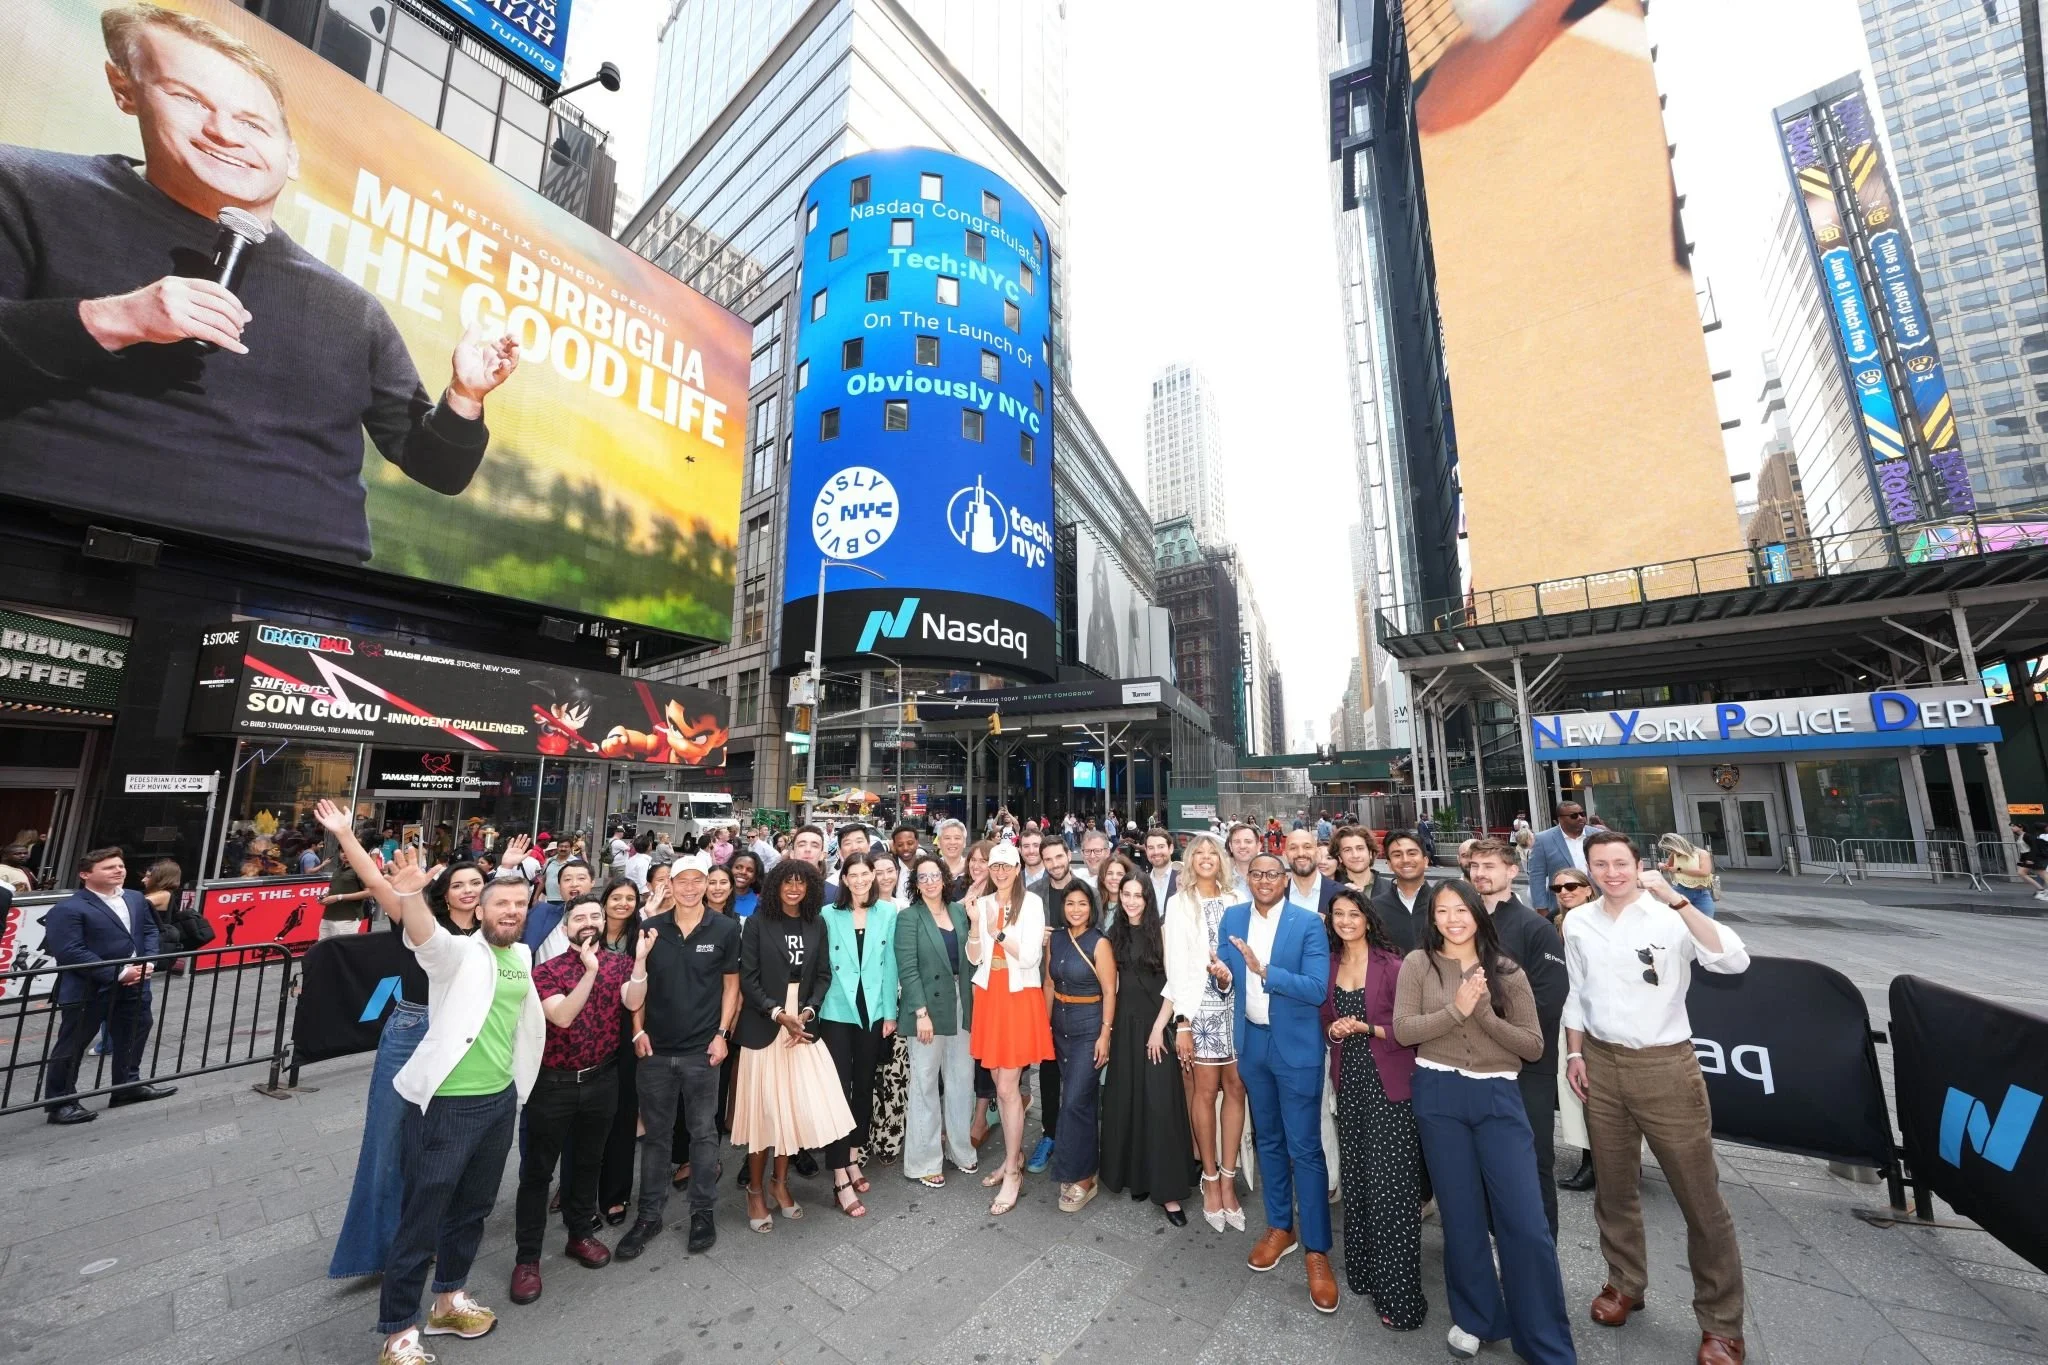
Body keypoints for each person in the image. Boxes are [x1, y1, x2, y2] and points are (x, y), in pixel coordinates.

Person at [1565, 833, 1751, 1365]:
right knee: (1615, 1190)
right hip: (1600, 1062)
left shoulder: (1669, 915)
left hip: (1665, 1066)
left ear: (1639, 864)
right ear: (1589, 869)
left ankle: (1721, 1323)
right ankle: (1624, 1284)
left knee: (1700, 1200)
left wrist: (1679, 899)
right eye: (1600, 864)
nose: (1611, 872)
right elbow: (1578, 992)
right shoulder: (1578, 920)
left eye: (1620, 863)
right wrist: (1575, 1055)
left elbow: (1732, 961)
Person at [369, 831, 545, 1365]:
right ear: (480, 906)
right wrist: (409, 896)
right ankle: (399, 1330)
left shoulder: (522, 952)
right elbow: (426, 937)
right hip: (449, 1104)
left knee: (473, 1208)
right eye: (501, 902)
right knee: (424, 1212)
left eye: (520, 903)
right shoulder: (456, 952)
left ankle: (449, 1298)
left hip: (499, 1101)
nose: (511, 910)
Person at [1394, 880, 1572, 1364]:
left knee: (1525, 1221)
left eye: (1461, 910)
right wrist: (1457, 1010)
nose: (1452, 919)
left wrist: (1485, 1014)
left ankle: (1543, 1337)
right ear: (1432, 918)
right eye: (1442, 911)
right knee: (1462, 1216)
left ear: (1477, 913)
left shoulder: (1506, 969)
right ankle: (1476, 1317)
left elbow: (1533, 1045)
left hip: (1497, 1095)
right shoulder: (1418, 964)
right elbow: (1405, 1029)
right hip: (1438, 1094)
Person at [326, 833, 485, 1279]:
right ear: (444, 891)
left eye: (476, 883)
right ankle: (380, 1245)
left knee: (447, 1140)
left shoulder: (492, 930)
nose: (468, 890)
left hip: (465, 1036)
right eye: (458, 884)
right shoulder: (419, 918)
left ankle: (431, 1229)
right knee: (390, 1137)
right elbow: (376, 882)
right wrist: (343, 833)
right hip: (414, 1030)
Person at [509, 893, 649, 1303]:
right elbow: (563, 1015)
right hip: (552, 1086)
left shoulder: (620, 963)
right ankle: (527, 1259)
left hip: (602, 1080)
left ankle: (579, 1234)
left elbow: (633, 1000)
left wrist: (639, 960)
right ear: (566, 926)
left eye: (595, 916)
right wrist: (589, 972)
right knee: (537, 1174)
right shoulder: (547, 971)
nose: (589, 922)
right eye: (580, 917)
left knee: (588, 1163)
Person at [1216, 852, 1338, 1313]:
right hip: (1253, 1046)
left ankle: (1317, 1251)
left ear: (1285, 880)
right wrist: (1226, 977)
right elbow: (1230, 983)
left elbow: (1315, 988)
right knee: (1268, 1140)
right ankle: (1280, 1227)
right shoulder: (1232, 916)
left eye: (1273, 874)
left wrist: (1264, 970)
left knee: (1304, 1148)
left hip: (1296, 1048)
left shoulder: (1307, 924)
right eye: (1257, 874)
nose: (1264, 880)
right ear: (1247, 879)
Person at [614, 853, 741, 1260]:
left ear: (707, 884)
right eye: (681, 881)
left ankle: (702, 1211)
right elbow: (639, 985)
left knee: (704, 1135)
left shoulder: (724, 928)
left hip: (702, 1051)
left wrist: (722, 1035)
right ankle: (648, 1214)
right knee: (656, 1138)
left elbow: (730, 987)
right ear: (670, 886)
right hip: (654, 1052)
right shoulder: (650, 929)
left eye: (696, 880)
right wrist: (637, 1031)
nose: (689, 887)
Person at [732, 859, 854, 1232]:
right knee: (764, 1113)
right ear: (775, 886)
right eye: (788, 882)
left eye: (802, 883)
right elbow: (748, 979)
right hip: (767, 1024)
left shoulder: (815, 922)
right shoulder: (756, 923)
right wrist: (778, 1014)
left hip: (802, 1024)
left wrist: (808, 1011)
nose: (795, 888)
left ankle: (779, 1184)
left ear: (810, 888)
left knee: (793, 1111)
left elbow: (822, 974)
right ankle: (755, 1191)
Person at [1322, 889, 1425, 1330]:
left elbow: (1411, 1030)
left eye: (1353, 914)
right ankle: (1364, 1274)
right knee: (1360, 1184)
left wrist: (1368, 1028)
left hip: (1391, 1090)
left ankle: (1401, 1298)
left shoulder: (1394, 966)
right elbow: (1325, 1025)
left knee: (1393, 1193)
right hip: (1350, 1086)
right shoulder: (1328, 965)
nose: (1346, 921)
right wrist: (1336, 1033)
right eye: (1338, 915)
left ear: (1368, 918)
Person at [1465, 837, 1569, 1234]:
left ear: (1512, 870)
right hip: (1471, 1065)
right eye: (1475, 866)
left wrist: (1497, 1031)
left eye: (1490, 866)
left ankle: (1540, 1253)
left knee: (1530, 1161)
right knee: (1482, 1161)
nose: (1480, 874)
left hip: (1525, 1067)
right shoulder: (1462, 922)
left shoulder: (1534, 928)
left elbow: (1549, 1000)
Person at [40, 847, 175, 1124]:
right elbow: (70, 951)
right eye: (109, 867)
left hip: (136, 984)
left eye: (120, 865)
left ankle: (126, 1086)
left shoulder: (137, 899)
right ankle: (61, 1101)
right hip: (89, 987)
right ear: (85, 875)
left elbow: (149, 930)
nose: (118, 870)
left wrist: (149, 962)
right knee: (73, 1043)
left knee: (135, 1030)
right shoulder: (68, 908)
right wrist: (119, 972)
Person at [1163, 833, 1248, 1233]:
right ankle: (1210, 1178)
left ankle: (1230, 1179)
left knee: (1235, 1089)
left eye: (1212, 851)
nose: (1206, 857)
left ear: (1222, 858)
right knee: (1203, 1090)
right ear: (1189, 860)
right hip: (1200, 1009)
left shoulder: (1238, 900)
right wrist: (1182, 1021)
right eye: (1198, 852)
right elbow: (1176, 964)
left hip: (1238, 1005)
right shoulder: (1178, 905)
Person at [1097, 872, 1191, 1226]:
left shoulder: (1163, 932)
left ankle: (1168, 1192)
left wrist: (1159, 1028)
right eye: (1126, 894)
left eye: (1139, 894)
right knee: (1128, 1101)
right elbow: (1111, 985)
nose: (1132, 900)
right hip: (1124, 1027)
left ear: (1149, 898)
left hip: (1156, 1027)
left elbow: (1176, 982)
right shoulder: (1113, 934)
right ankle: (1137, 1177)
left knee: (1160, 1104)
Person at [966, 841, 1054, 1216]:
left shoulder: (1031, 903)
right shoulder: (983, 904)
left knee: (1006, 1085)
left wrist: (997, 931)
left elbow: (1033, 956)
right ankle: (1011, 1159)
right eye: (995, 866)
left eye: (1006, 866)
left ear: (1018, 868)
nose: (1000, 871)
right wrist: (975, 926)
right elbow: (974, 957)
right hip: (990, 996)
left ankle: (1013, 1170)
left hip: (1019, 998)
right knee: (1003, 1088)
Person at [816, 853, 898, 1216]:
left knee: (864, 1086)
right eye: (855, 874)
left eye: (868, 874)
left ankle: (852, 1155)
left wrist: (890, 1013)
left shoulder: (887, 914)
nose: (862, 880)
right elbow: (821, 966)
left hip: (873, 1010)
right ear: (844, 879)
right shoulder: (828, 915)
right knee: (838, 1089)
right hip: (836, 1010)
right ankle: (838, 1175)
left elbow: (891, 965)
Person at [896, 853, 976, 1186]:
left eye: (935, 876)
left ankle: (960, 1149)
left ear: (945, 879)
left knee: (961, 1080)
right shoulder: (909, 917)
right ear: (915, 884)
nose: (930, 882)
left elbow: (973, 956)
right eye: (923, 877)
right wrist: (920, 1013)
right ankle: (924, 1161)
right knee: (926, 1084)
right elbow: (908, 968)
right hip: (926, 1008)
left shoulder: (960, 911)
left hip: (962, 1003)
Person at [1045, 883, 1115, 1212]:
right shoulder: (1056, 939)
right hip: (1060, 1026)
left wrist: (1105, 1034)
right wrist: (1044, 1025)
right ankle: (1079, 1165)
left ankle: (1083, 1175)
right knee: (1077, 1100)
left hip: (1090, 1027)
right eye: (1070, 903)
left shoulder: (1099, 942)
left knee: (1074, 1100)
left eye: (1082, 904)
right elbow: (1049, 982)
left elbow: (1110, 992)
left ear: (1092, 907)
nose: (1075, 909)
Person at [593, 877, 651, 1226]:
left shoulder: (642, 937)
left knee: (623, 1113)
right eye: (616, 897)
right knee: (586, 1117)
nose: (623, 904)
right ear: (605, 901)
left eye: (630, 898)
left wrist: (638, 1029)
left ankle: (616, 1193)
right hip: (586, 1032)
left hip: (627, 1029)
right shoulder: (585, 930)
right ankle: (578, 1194)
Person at [1546, 869, 1598, 1191]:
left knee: (1595, 1095)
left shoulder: (1599, 921)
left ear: (1589, 889)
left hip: (1595, 1021)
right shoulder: (1554, 922)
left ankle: (1604, 1164)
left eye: (1572, 886)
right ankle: (1591, 1161)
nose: (1564, 892)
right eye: (1558, 887)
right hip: (1566, 1018)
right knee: (1576, 1094)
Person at [1372, 831, 1433, 954]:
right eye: (1397, 855)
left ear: (1425, 861)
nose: (1405, 860)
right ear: (1389, 864)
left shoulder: (1441, 902)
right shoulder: (1375, 907)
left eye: (1412, 853)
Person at [1524, 803, 1590, 914]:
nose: (1580, 818)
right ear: (1560, 819)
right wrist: (1541, 907)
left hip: (1595, 901)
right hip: (1561, 906)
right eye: (1574, 815)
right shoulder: (1543, 839)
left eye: (1582, 814)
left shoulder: (1598, 835)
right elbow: (1537, 875)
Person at [521, 858, 594, 959]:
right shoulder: (540, 913)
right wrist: (506, 869)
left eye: (581, 878)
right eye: (567, 879)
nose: (574, 884)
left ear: (592, 882)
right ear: (559, 886)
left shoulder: (602, 922)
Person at [321, 830, 378, 938]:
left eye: (348, 851)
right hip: (328, 916)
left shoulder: (360, 869)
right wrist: (325, 897)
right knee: (324, 950)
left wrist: (339, 897)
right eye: (342, 851)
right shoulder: (338, 869)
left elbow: (370, 892)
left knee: (342, 952)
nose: (345, 854)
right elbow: (333, 889)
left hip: (348, 919)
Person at [1283, 828, 1342, 917]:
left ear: (1318, 854)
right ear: (1285, 856)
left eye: (1307, 847)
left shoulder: (1343, 893)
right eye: (1293, 848)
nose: (1301, 853)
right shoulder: (1275, 896)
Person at [1658, 834, 1717, 918]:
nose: (1671, 851)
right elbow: (1668, 867)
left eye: (1671, 849)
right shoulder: (1674, 854)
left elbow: (1705, 872)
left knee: (1707, 921)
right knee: (1675, 922)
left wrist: (1679, 869)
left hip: (1701, 892)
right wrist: (1661, 865)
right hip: (1680, 890)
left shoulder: (1701, 853)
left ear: (1677, 845)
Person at [1332, 825, 1378, 899]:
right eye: (1347, 850)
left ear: (1370, 853)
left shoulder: (1393, 889)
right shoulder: (1332, 892)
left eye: (1360, 848)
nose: (1355, 855)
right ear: (1340, 857)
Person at [1142, 829, 1180, 906]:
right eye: (1151, 848)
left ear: (1171, 848)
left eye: (1161, 847)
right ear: (1146, 851)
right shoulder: (1142, 882)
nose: (1156, 852)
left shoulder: (1185, 878)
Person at [1225, 822, 1261, 899]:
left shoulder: (1272, 879)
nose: (1242, 846)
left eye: (1248, 841)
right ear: (1230, 846)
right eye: (1237, 842)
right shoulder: (1221, 882)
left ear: (1258, 846)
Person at [729, 851, 764, 917]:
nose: (743, 872)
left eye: (750, 870)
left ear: (755, 877)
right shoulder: (718, 896)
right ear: (730, 869)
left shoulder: (760, 903)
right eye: (738, 867)